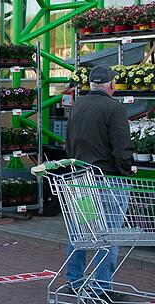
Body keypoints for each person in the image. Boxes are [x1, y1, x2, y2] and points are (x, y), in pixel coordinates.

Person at [64, 65, 137, 302]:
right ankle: (101, 286)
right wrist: (126, 170)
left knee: (81, 232)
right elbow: (121, 145)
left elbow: (68, 142)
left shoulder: (78, 105)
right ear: (111, 85)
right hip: (108, 181)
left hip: (81, 181)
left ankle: (74, 281)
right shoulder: (114, 108)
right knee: (108, 235)